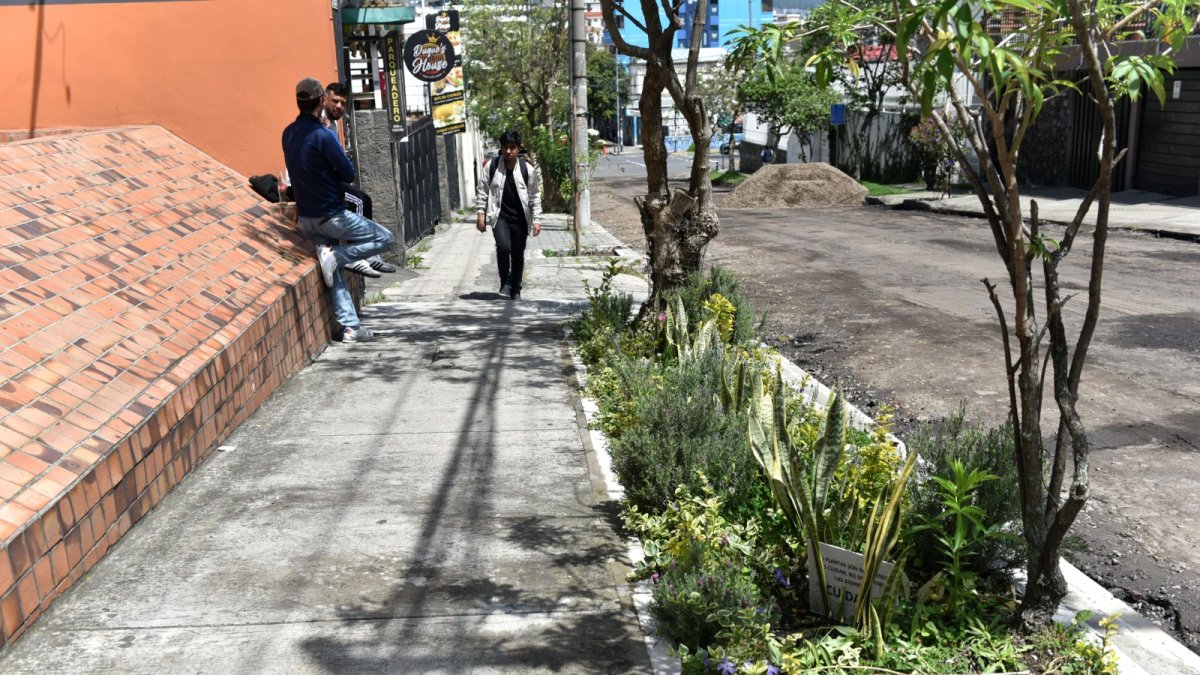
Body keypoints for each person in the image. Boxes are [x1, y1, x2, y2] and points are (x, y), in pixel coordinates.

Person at [283, 77, 395, 342]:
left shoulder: (288, 133)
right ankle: (338, 255)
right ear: (321, 100)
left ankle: (350, 328)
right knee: (385, 238)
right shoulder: (323, 134)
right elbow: (348, 173)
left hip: (306, 217)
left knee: (333, 271)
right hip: (331, 214)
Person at [321, 81, 396, 275]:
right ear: (324, 99)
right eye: (335, 101)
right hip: (324, 185)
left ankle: (370, 255)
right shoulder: (321, 122)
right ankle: (360, 255)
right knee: (359, 201)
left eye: (343, 102)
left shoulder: (332, 123)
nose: (339, 106)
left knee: (365, 199)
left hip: (334, 180)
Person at [475, 131, 542, 301]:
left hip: (521, 219)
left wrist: (537, 220)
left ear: (518, 149)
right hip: (500, 217)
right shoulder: (491, 166)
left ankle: (516, 289)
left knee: (518, 253)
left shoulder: (527, 169)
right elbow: (482, 190)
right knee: (504, 247)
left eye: (512, 147)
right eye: (505, 147)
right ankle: (505, 281)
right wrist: (480, 214)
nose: (508, 151)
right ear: (501, 148)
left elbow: (535, 196)